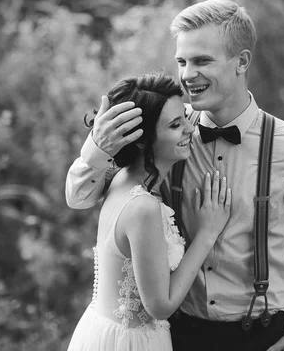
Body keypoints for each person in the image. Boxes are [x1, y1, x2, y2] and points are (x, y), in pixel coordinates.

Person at [65, 0, 284, 351]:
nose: (186, 75)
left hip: (259, 336)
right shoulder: (167, 133)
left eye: (202, 61)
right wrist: (98, 146)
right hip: (175, 334)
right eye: (182, 61)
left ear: (241, 62)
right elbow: (79, 197)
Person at [67, 73, 233, 351]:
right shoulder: (142, 206)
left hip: (104, 331)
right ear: (143, 140)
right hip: (132, 342)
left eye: (185, 119)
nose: (190, 130)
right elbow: (160, 306)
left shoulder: (118, 177)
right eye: (175, 125)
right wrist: (207, 233)